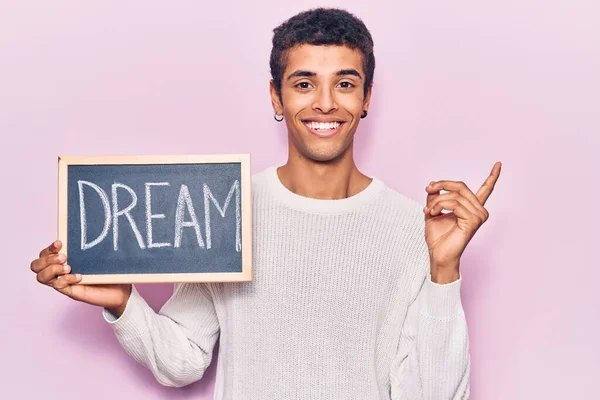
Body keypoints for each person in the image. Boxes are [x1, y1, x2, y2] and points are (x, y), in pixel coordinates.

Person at [30, 7, 501, 399]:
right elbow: (182, 361)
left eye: (344, 83)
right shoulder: (227, 207)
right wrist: (122, 302)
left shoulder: (412, 229)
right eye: (303, 84)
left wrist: (444, 271)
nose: (324, 103)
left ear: (365, 98)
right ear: (275, 96)